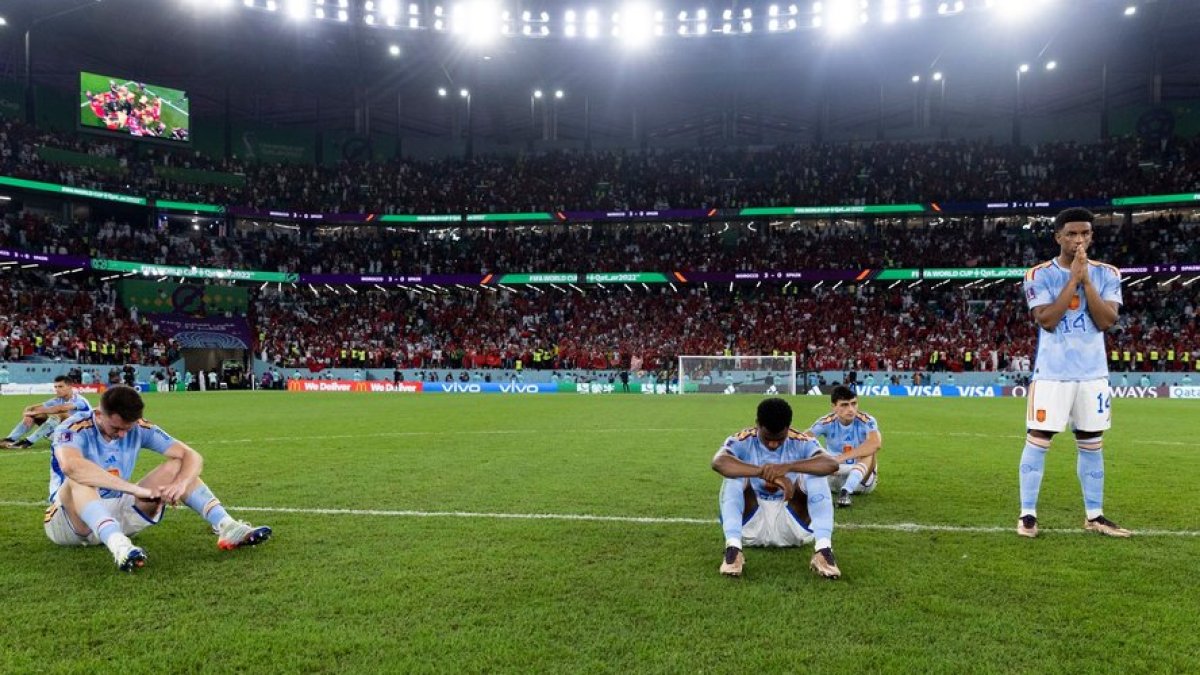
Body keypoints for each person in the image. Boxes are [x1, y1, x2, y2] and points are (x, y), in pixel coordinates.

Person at [44, 385, 272, 571]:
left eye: (128, 428)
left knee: (179, 466)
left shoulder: (138, 427)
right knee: (78, 478)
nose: (123, 434)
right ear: (99, 413)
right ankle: (119, 546)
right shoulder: (73, 427)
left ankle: (227, 526)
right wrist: (135, 490)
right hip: (70, 521)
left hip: (117, 510)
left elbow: (191, 455)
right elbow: (72, 466)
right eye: (116, 427)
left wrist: (180, 484)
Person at [1018, 208, 1130, 539]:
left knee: (1092, 443)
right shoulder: (1037, 275)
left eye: (1085, 234)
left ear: (1091, 237)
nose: (1079, 240)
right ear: (1058, 237)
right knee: (1038, 440)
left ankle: (1094, 515)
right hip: (1051, 374)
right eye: (1072, 234)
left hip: (1093, 375)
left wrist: (1085, 281)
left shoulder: (1108, 273)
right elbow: (1048, 320)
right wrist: (1072, 280)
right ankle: (1027, 514)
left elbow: (1106, 321)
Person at [711, 398, 841, 579]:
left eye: (779, 439)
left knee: (815, 474)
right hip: (750, 526)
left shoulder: (801, 441)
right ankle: (733, 550)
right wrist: (763, 472)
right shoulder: (743, 439)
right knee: (734, 475)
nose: (773, 444)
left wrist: (788, 467)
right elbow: (719, 462)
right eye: (767, 439)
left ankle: (823, 550)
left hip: (793, 526)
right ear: (757, 425)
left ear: (788, 428)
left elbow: (831, 464)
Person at [808, 385, 882, 508]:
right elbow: (804, 439)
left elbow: (875, 444)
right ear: (834, 407)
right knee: (812, 447)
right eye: (844, 405)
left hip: (861, 479)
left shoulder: (866, 420)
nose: (851, 409)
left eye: (854, 404)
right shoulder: (825, 422)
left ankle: (845, 492)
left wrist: (839, 458)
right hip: (834, 474)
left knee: (869, 449)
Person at [2, 376, 93, 449]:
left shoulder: (80, 401)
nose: (57, 389)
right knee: (35, 415)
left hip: (83, 437)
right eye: (55, 387)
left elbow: (60, 409)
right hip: (65, 436)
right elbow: (35, 408)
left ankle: (28, 442)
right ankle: (10, 439)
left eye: (60, 386)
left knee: (61, 414)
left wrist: (34, 411)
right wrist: (29, 410)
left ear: (69, 387)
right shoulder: (58, 399)